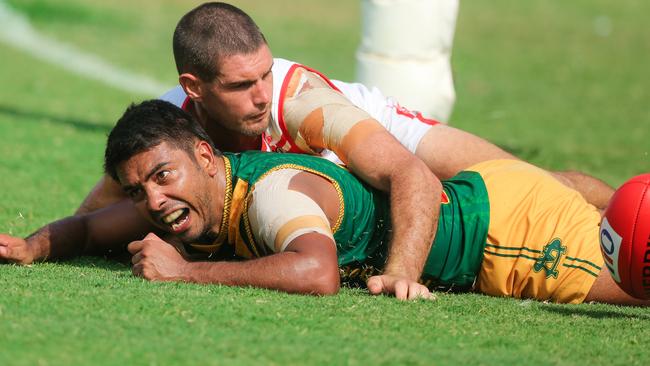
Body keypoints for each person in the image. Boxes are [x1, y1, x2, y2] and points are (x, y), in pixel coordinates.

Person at [74, 2, 613, 297]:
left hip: (377, 134)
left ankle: (628, 208)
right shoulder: (169, 126)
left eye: (266, 73)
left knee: (536, 184)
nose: (261, 96)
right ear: (194, 88)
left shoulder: (301, 104)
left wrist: (403, 273)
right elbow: (105, 207)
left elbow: (410, 175)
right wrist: (43, 245)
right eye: (241, 86)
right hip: (317, 179)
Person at [1, 100, 645, 305]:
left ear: (204, 154)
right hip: (492, 191)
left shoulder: (271, 197)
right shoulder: (195, 195)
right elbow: (91, 230)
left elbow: (318, 273)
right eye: (140, 188)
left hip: (504, 239)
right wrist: (32, 247)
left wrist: (187, 271)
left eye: (163, 176)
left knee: (639, 281)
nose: (155, 200)